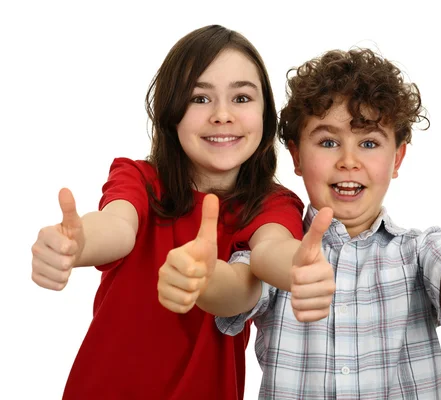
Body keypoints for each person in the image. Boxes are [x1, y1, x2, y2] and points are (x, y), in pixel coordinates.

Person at [215, 48, 441, 399]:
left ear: (398, 157)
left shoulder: (419, 251)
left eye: (370, 143)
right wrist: (202, 276)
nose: (348, 160)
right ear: (295, 155)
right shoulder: (279, 251)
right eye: (328, 142)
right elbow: (233, 288)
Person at [30, 25, 312, 400]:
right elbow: (116, 225)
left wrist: (301, 268)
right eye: (200, 99)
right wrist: (75, 244)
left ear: (266, 114)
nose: (222, 115)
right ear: (172, 112)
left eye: (242, 98)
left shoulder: (273, 204)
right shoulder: (140, 180)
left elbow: (261, 264)